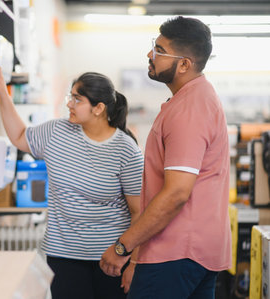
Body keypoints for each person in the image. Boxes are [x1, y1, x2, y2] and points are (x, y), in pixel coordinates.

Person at [99, 16, 231, 299]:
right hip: (195, 252)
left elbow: (176, 194)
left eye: (159, 50)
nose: (150, 55)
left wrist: (123, 247)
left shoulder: (189, 110)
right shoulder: (196, 98)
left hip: (176, 254)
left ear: (184, 64)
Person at [0, 60, 144, 299]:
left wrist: (133, 262)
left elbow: (139, 212)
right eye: (70, 97)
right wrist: (2, 91)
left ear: (98, 108)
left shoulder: (126, 150)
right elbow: (20, 137)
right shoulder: (56, 132)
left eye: (77, 100)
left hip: (111, 258)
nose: (69, 104)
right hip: (63, 256)